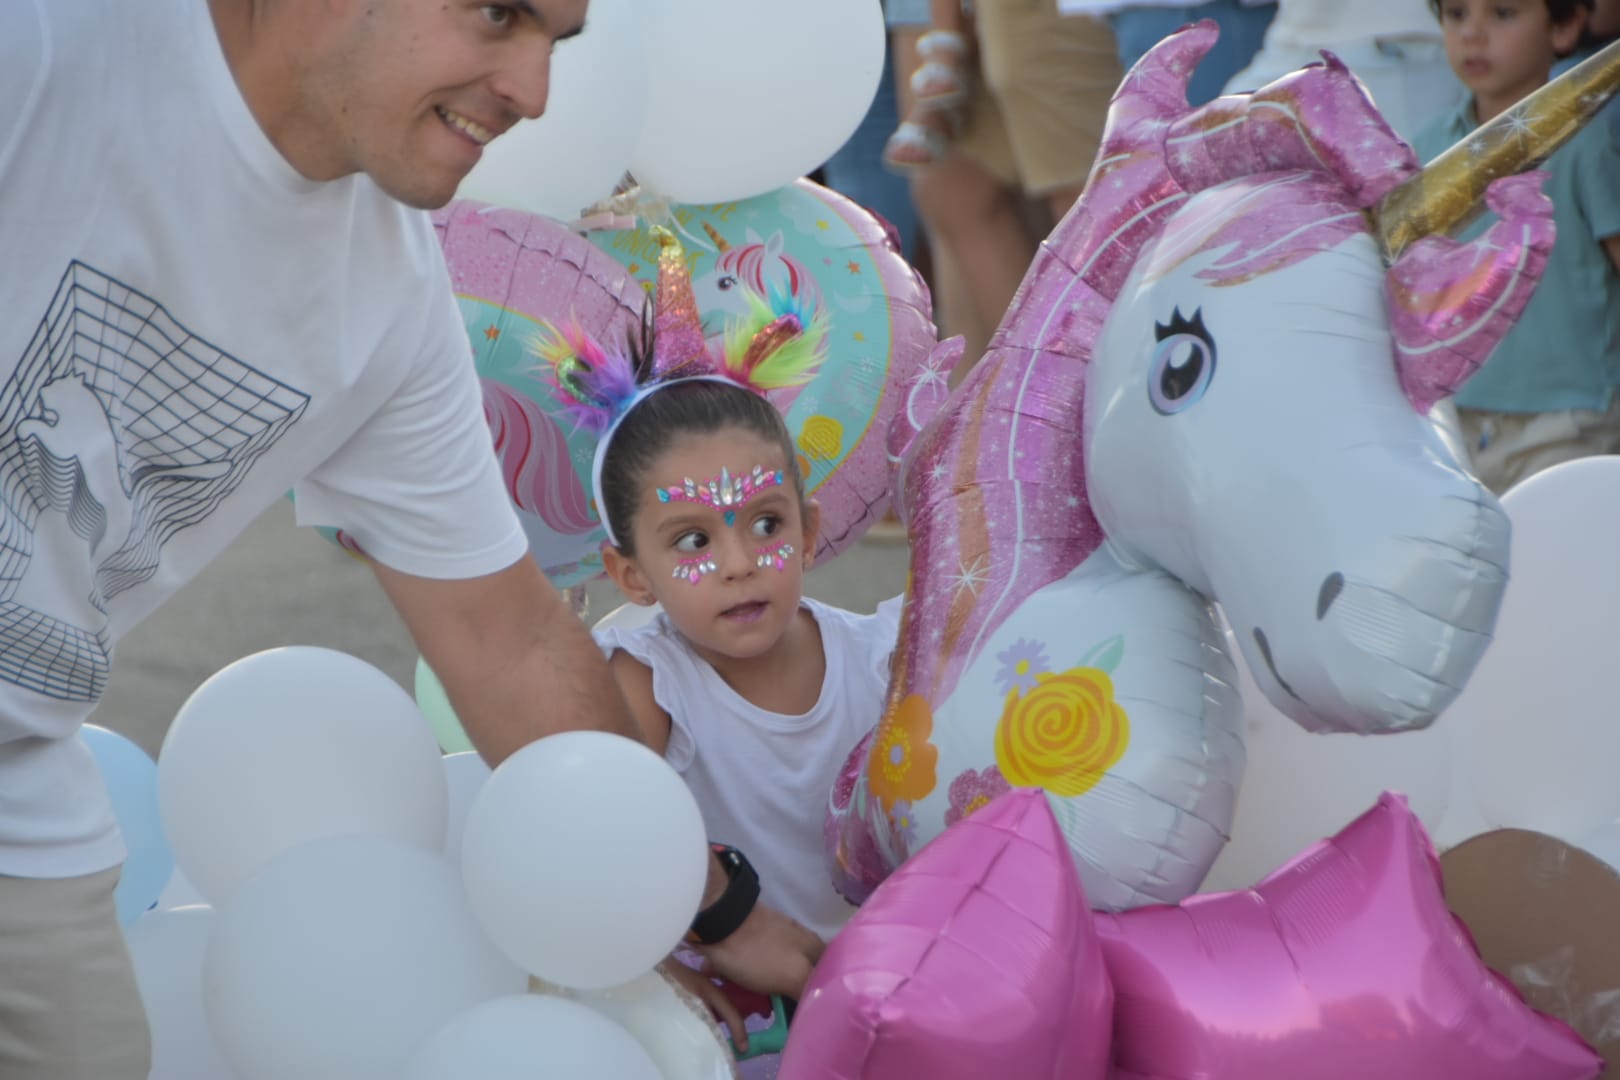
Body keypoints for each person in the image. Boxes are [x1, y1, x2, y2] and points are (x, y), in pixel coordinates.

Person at [0, 1, 820, 1075]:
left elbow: (506, 640)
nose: (533, 91)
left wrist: (712, 905)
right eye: (499, 15)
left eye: (557, 43)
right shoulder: (49, 48)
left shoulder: (386, 297)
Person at [532, 230, 901, 1047]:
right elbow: (592, 836)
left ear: (808, 533)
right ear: (631, 577)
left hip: (894, 1007)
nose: (740, 564)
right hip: (734, 1025)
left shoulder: (885, 657)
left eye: (765, 524)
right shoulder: (650, 684)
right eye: (693, 541)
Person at [1410, 0, 1620, 493]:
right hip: (1456, 424)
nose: (1473, 35)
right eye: (1456, 14)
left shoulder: (1586, 140)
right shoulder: (1426, 147)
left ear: (1565, 26)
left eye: (1502, 13)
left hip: (1569, 422)